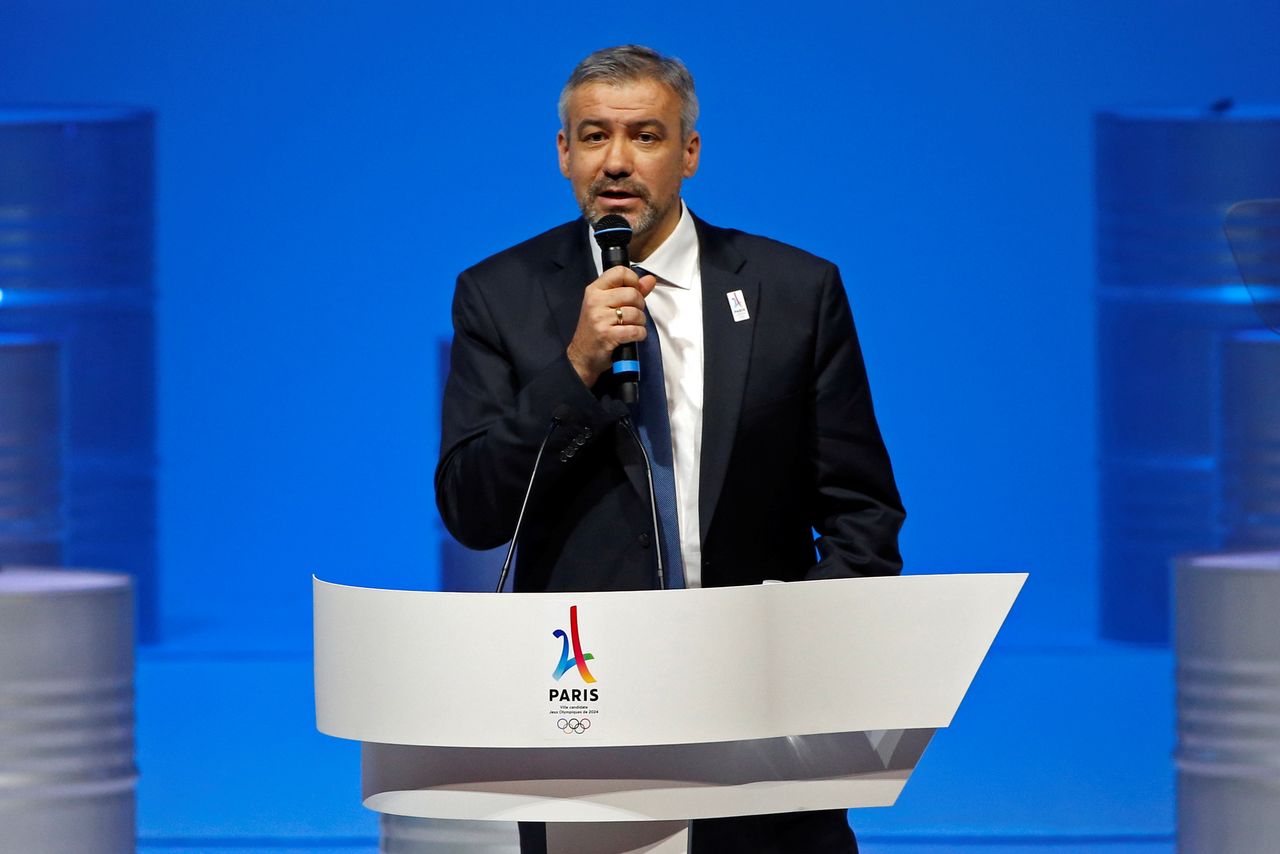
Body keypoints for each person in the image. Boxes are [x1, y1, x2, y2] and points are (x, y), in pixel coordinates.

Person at [436, 44, 905, 854]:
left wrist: (798, 660)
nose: (616, 162)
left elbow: (862, 513)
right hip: (585, 716)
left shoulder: (795, 290)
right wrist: (574, 369)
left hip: (762, 719)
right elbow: (473, 509)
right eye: (592, 137)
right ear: (563, 154)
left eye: (645, 136)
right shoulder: (499, 295)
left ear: (689, 151)